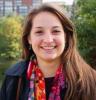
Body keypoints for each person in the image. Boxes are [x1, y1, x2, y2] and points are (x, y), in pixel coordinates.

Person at [0, 4, 96, 100]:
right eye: (39, 32)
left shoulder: (91, 81)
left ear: (66, 36)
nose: (48, 40)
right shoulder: (14, 79)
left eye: (55, 31)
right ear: (29, 38)